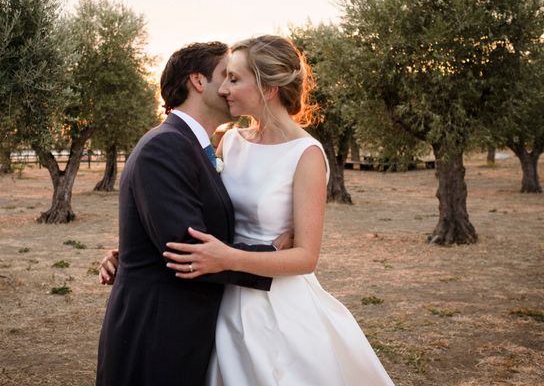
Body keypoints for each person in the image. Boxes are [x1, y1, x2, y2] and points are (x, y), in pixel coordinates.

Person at [162, 35, 395, 385]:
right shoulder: (231, 141)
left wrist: (228, 258)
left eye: (235, 79)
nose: (223, 88)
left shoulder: (306, 155)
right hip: (221, 295)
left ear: (268, 88)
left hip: (276, 305)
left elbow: (305, 257)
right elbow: (199, 210)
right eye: (224, 77)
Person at [95, 41, 291, 386]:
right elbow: (187, 251)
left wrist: (128, 252)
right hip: (157, 335)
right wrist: (271, 256)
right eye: (225, 77)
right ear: (198, 82)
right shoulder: (166, 146)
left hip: (183, 329)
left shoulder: (195, 145)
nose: (231, 88)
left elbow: (182, 224)